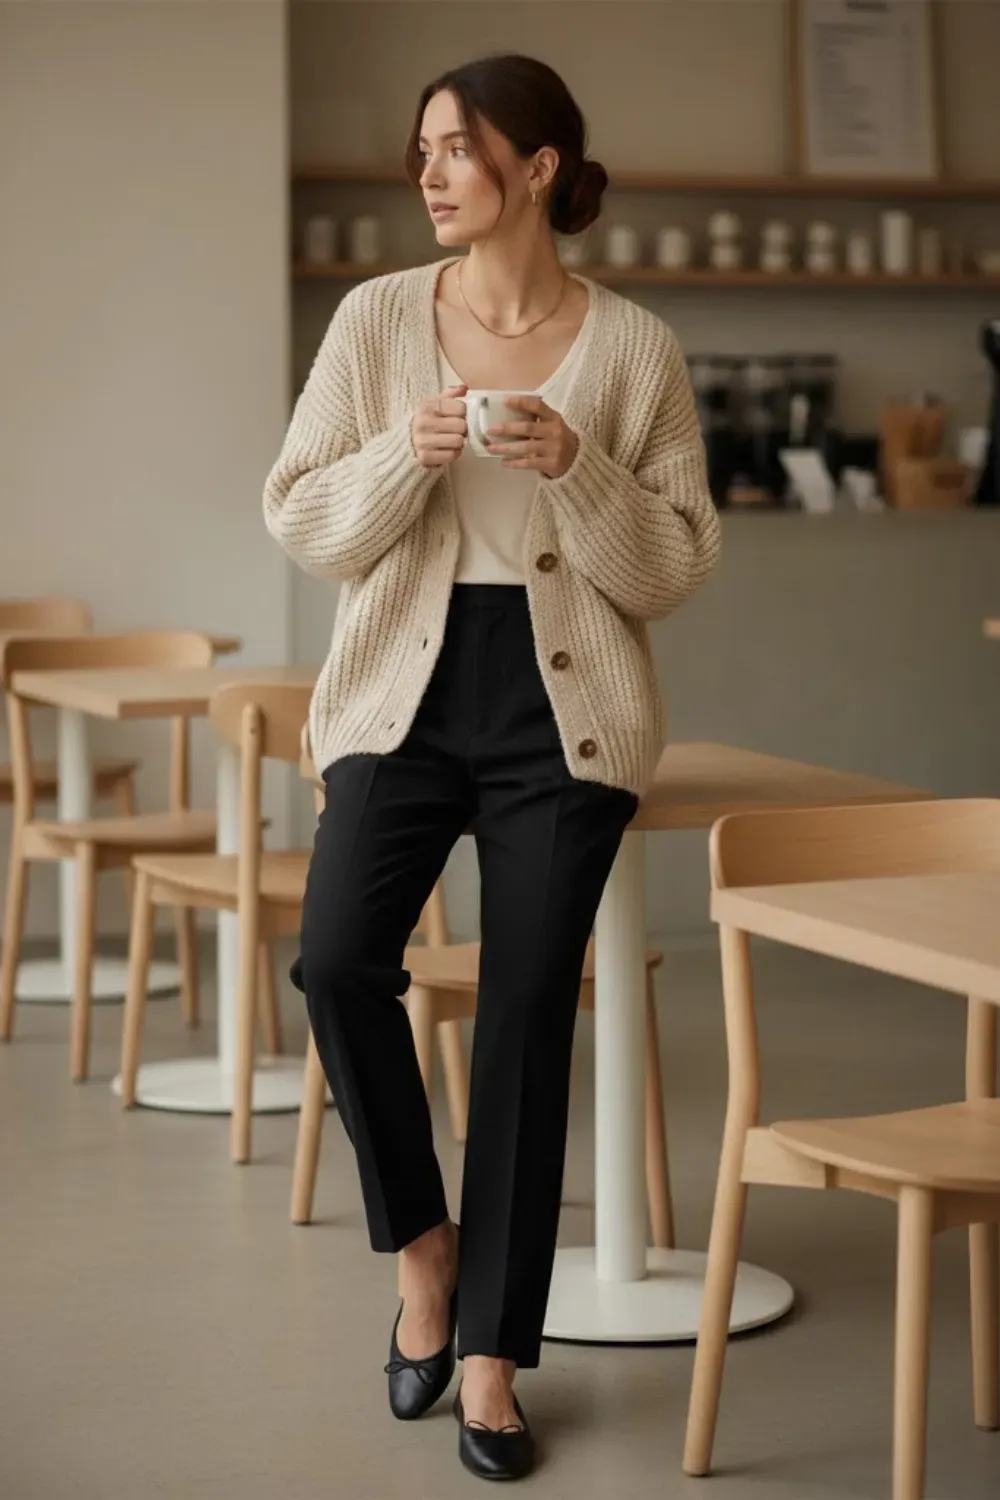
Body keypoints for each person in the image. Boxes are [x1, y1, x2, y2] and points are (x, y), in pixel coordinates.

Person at [264, 52, 720, 1483]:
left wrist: (579, 464)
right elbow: (302, 519)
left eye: (456, 148)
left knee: (527, 1012)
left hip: (561, 713)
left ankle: (488, 1360)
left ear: (536, 165)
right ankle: (426, 1252)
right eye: (421, 152)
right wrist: (408, 456)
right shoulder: (377, 319)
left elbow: (679, 564)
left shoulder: (634, 349)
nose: (430, 172)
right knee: (337, 962)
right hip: (398, 700)